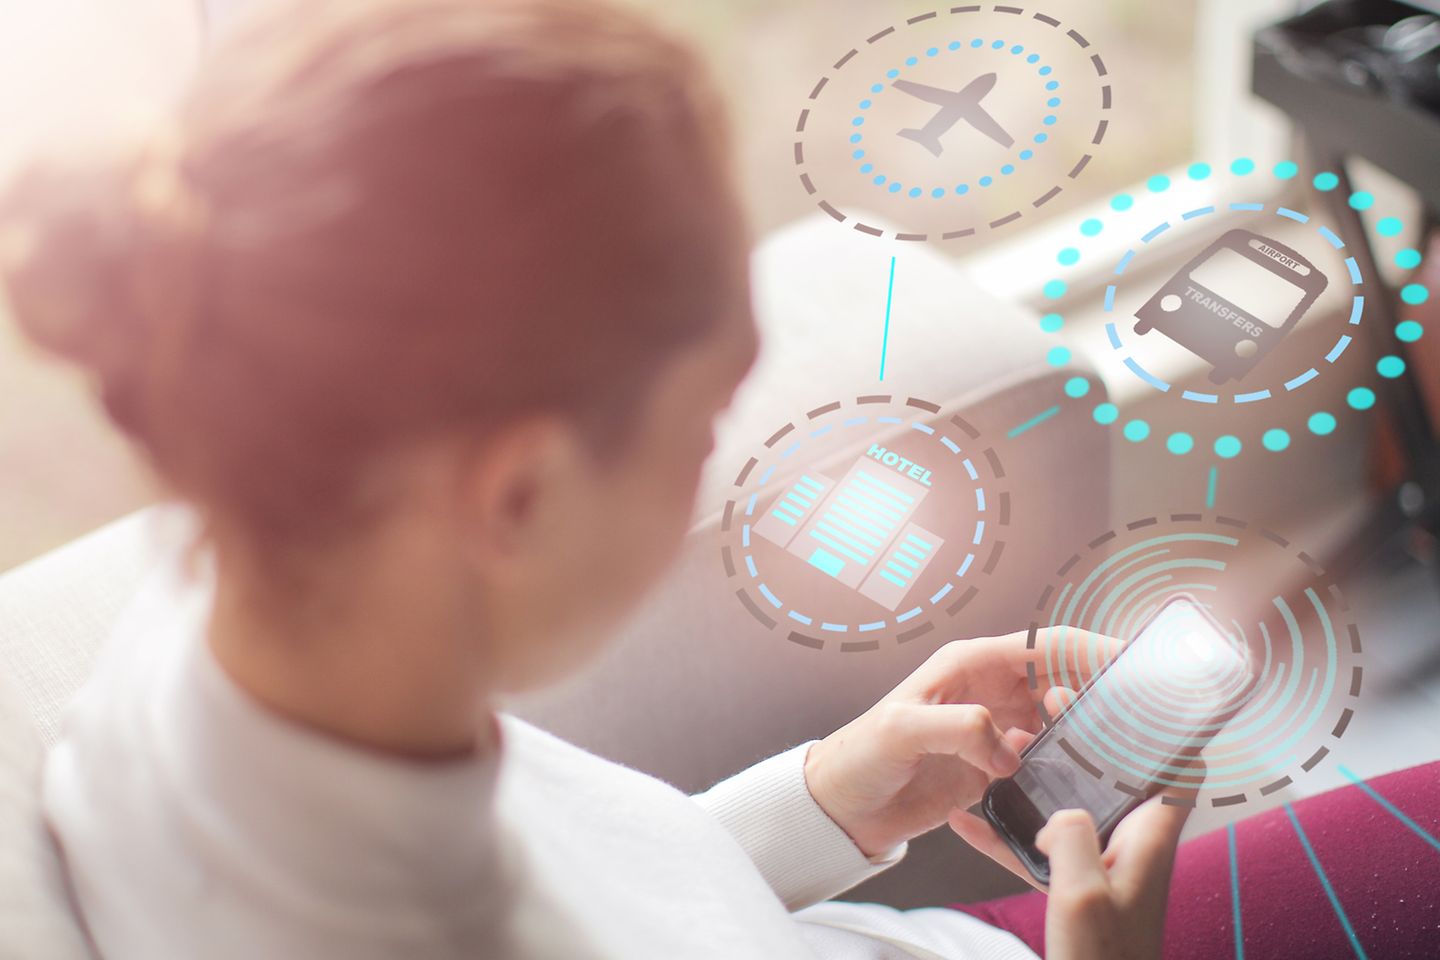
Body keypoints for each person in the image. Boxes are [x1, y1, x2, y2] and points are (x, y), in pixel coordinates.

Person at [4, 0, 1436, 958]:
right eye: (705, 417)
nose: (731, 451)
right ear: (515, 495)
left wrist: (829, 800)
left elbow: (600, 893)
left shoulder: (241, 636)